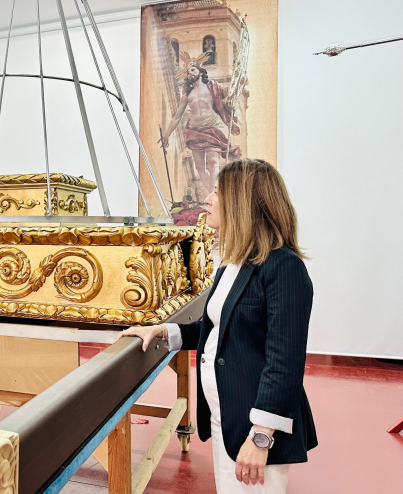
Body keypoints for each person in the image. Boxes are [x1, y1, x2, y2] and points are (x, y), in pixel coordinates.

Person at [120, 158, 317, 493]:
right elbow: (217, 328)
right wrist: (165, 331)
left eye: (216, 192)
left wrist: (261, 437)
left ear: (240, 203)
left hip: (257, 427)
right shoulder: (232, 265)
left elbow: (285, 362)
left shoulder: (283, 267)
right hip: (226, 415)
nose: (208, 199)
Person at [161, 65, 240, 202]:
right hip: (195, 128)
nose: (190, 73)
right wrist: (167, 134)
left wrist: (237, 79)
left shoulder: (213, 87)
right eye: (188, 72)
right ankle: (213, 193)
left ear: (201, 72)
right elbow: (177, 117)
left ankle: (214, 196)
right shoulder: (187, 95)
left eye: (193, 70)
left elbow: (230, 93)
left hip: (212, 124)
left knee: (213, 161)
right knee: (199, 167)